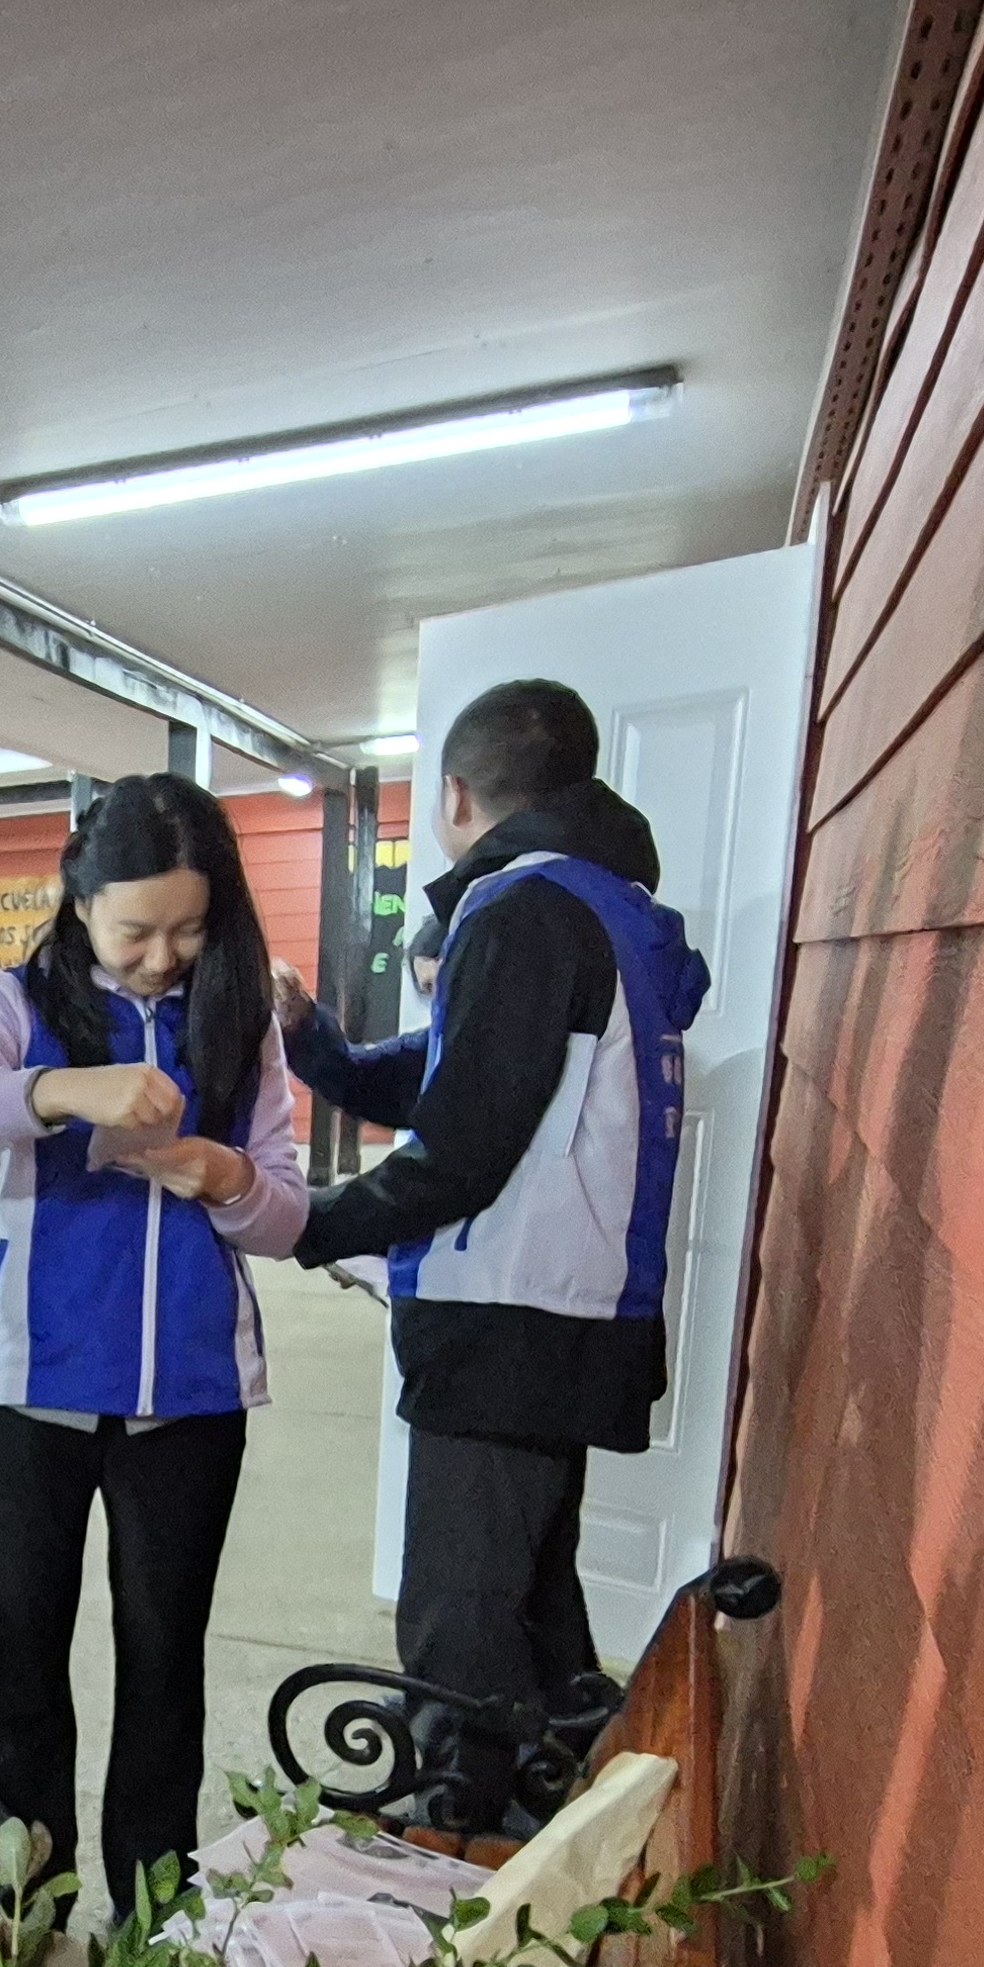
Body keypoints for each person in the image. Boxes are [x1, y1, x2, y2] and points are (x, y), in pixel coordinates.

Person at [285, 678, 704, 1835]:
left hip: (507, 1317)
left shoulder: (517, 910)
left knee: (460, 1624)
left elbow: (461, 1148)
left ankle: (460, 1849)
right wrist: (311, 1042)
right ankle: (561, 1811)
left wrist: (300, 1220)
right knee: (528, 1595)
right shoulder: (605, 904)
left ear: (454, 793)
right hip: (570, 1313)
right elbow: (455, 1076)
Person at [0, 775, 309, 1918]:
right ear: (78, 902)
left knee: (163, 1660)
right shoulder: (13, 1003)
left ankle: (150, 1915)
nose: (161, 956)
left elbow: (285, 1212)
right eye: (135, 929)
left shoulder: (238, 1019)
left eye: (188, 928)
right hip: (22, 1388)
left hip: (188, 1395)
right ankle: (29, 1910)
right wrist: (59, 1089)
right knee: (22, 1659)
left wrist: (224, 1177)